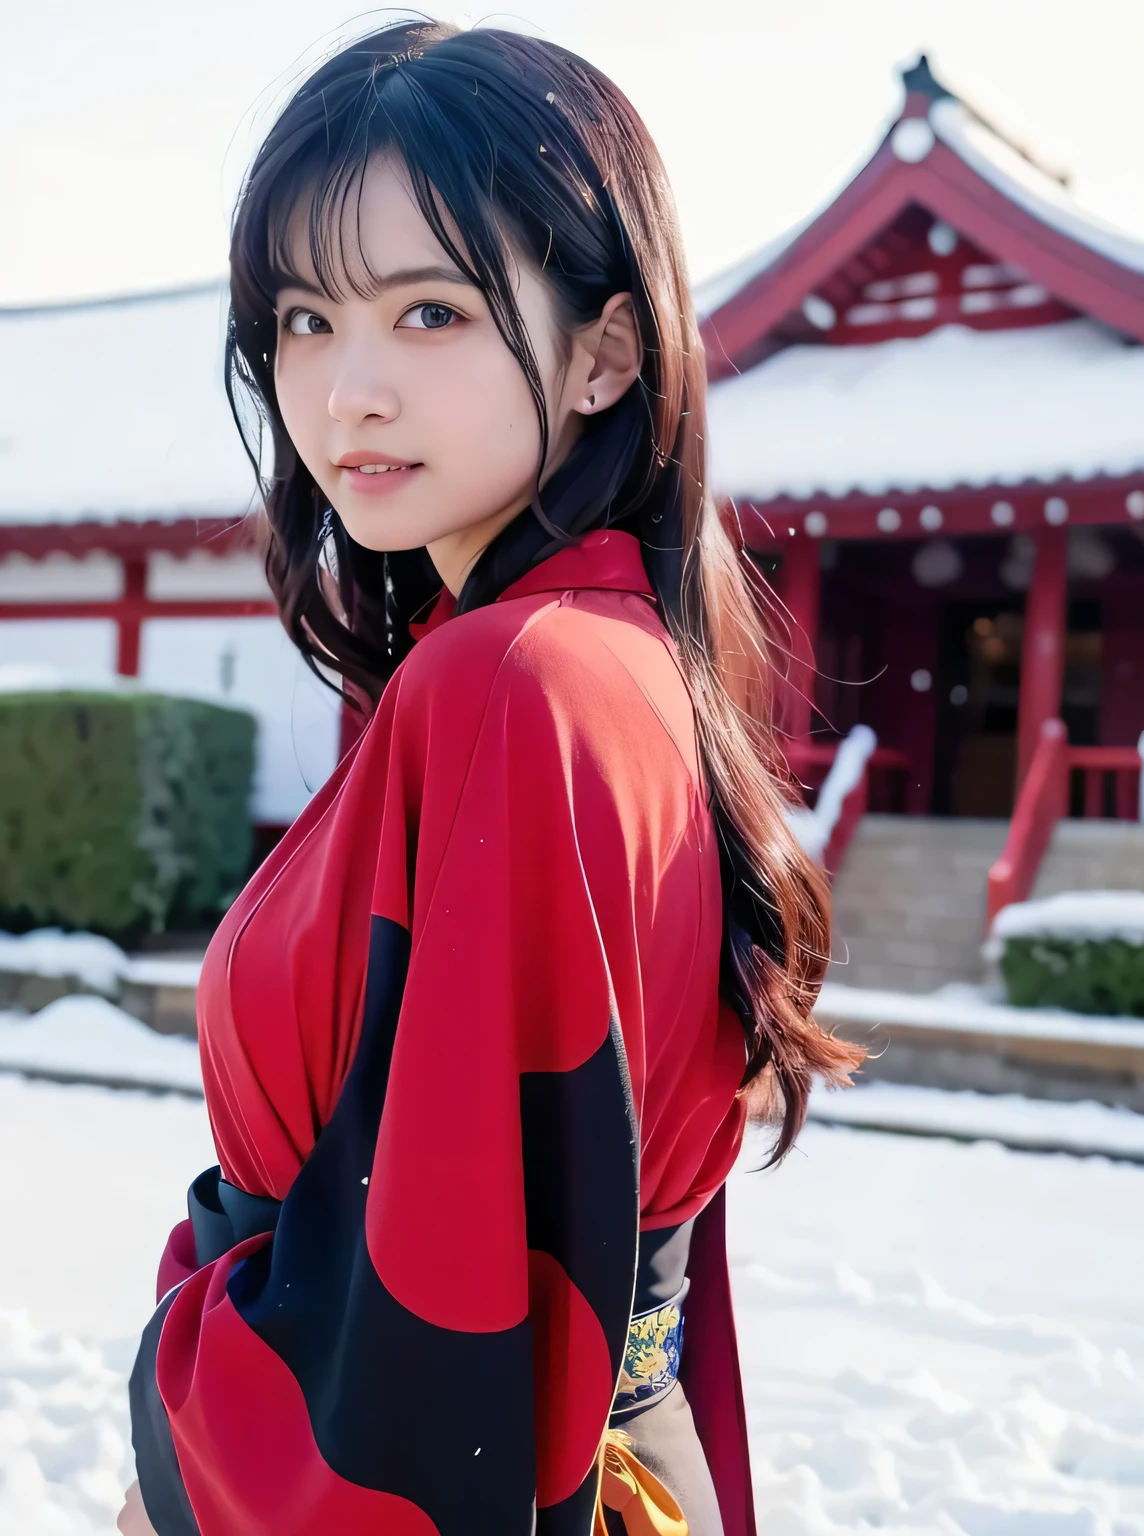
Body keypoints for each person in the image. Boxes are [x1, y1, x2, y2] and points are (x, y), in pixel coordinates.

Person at [117, 20, 863, 1536]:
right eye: (306, 321)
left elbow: (436, 1276)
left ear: (605, 351)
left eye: (433, 313)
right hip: (586, 1449)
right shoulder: (605, 663)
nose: (349, 393)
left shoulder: (513, 683)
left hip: (420, 1458)